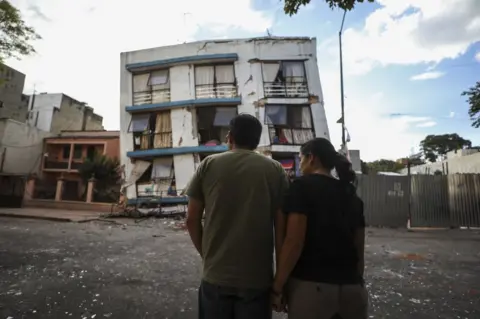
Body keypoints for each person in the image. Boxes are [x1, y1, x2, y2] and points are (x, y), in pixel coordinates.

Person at [186, 113, 289, 319]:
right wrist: (279, 282)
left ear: (230, 137)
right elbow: (281, 231)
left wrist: (207, 256)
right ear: (257, 141)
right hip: (257, 281)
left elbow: (191, 220)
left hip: (216, 277)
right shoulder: (275, 170)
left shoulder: (208, 165)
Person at [271, 138, 367, 319]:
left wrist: (277, 286)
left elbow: (294, 242)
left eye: (301, 158)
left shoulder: (302, 187)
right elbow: (359, 250)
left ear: (312, 158)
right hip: (353, 290)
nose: (300, 164)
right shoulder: (351, 195)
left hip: (313, 289)